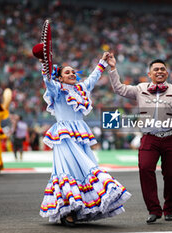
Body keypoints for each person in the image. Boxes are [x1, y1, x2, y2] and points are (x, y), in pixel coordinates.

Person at [37, 52, 131, 226]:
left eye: (73, 72)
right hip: (63, 135)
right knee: (68, 170)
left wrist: (103, 62)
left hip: (80, 135)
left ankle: (80, 208)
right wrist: (45, 66)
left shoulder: (81, 89)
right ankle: (68, 209)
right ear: (60, 77)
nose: (72, 74)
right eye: (67, 73)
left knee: (84, 170)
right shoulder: (57, 90)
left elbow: (94, 77)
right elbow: (48, 81)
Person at [107, 53, 172, 223]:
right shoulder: (140, 88)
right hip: (149, 138)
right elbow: (119, 88)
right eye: (156, 69)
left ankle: (169, 210)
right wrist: (112, 68)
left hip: (171, 138)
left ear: (167, 73)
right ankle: (154, 210)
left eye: (163, 69)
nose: (160, 71)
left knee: (171, 175)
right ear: (150, 74)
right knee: (145, 169)